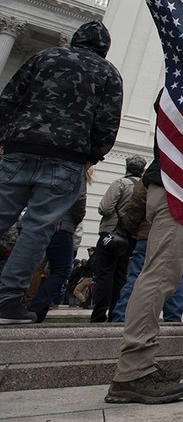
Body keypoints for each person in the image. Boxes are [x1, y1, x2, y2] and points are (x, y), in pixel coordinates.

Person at [0, 20, 123, 325]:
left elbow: (9, 99)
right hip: (67, 157)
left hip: (20, 147)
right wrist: (91, 157)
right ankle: (7, 299)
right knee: (37, 229)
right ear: (104, 48)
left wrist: (5, 139)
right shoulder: (108, 73)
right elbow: (107, 123)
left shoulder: (44, 57)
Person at [105, 91, 183, 404]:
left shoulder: (180, 86)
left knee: (160, 275)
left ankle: (142, 363)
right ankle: (133, 371)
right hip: (177, 186)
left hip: (172, 184)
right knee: (159, 276)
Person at [111, 178, 183, 323]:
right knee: (175, 279)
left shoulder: (151, 176)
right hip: (178, 235)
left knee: (137, 277)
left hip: (148, 234)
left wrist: (133, 230)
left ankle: (121, 318)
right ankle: (173, 321)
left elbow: (136, 205)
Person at [27, 168, 92, 322]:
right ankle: (36, 307)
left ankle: (17, 302)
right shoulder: (76, 167)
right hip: (61, 225)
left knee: (31, 265)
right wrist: (74, 222)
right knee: (60, 270)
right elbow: (79, 200)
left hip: (34, 219)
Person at [91, 155, 146, 323]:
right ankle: (117, 312)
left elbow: (105, 208)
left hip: (111, 233)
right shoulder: (144, 187)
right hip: (131, 236)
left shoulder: (120, 183)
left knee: (104, 274)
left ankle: (99, 313)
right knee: (121, 275)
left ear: (127, 167)